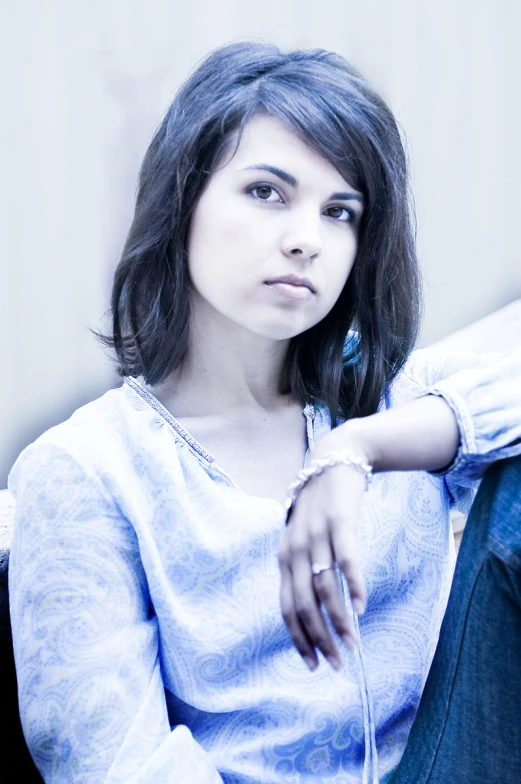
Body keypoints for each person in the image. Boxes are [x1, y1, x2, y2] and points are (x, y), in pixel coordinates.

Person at [7, 40, 521, 784]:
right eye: (266, 192)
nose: (305, 239)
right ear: (182, 200)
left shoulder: (387, 404)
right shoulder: (88, 469)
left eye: (339, 210)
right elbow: (117, 764)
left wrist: (358, 452)